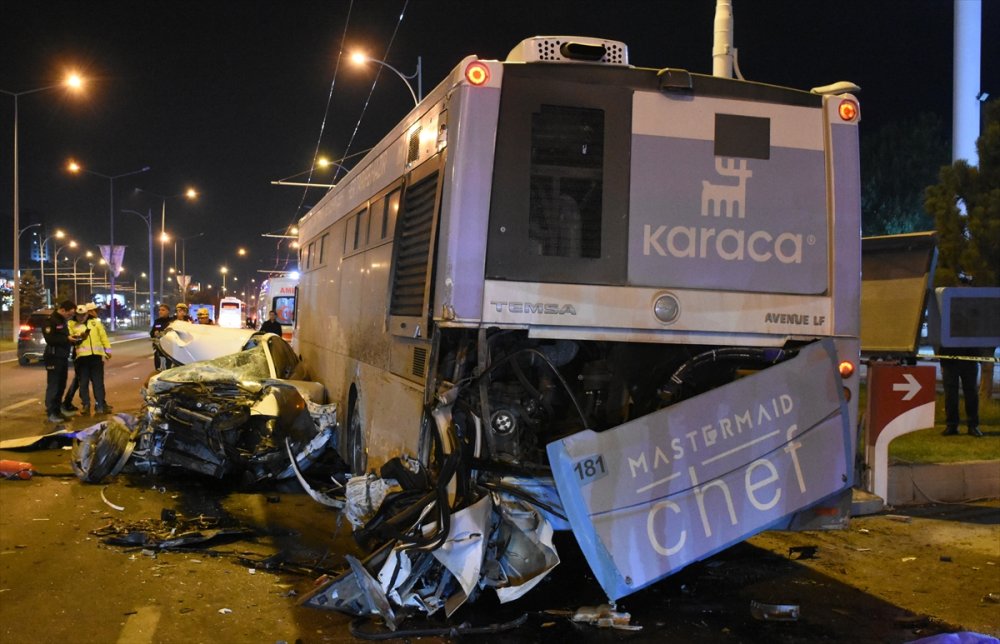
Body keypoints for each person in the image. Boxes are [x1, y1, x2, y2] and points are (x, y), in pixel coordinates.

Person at [43, 300, 81, 423]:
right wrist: (67, 338)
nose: (70, 316)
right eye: (69, 314)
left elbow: (63, 337)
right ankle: (51, 412)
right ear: (63, 310)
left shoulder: (62, 321)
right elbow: (50, 339)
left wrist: (72, 339)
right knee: (54, 385)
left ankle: (57, 411)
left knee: (61, 385)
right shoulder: (51, 320)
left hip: (62, 357)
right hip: (53, 357)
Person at [72, 303, 113, 416]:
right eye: (79, 315)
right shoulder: (72, 324)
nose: (81, 317)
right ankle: (86, 405)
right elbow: (70, 338)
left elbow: (103, 337)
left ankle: (100, 405)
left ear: (87, 313)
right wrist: (78, 337)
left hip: (96, 357)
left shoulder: (95, 323)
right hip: (82, 359)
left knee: (98, 382)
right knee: (83, 383)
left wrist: (108, 351)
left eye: (83, 315)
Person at [939, 346, 985, 437]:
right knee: (950, 394)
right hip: (949, 358)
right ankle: (951, 425)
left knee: (971, 394)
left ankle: (973, 425)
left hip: (970, 357)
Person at [151, 304, 173, 370]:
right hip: (159, 349)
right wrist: (154, 333)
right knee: (158, 369)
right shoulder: (157, 321)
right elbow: (151, 333)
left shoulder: (172, 321)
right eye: (159, 310)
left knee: (168, 369)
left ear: (168, 311)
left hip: (169, 349)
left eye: (163, 310)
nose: (160, 311)